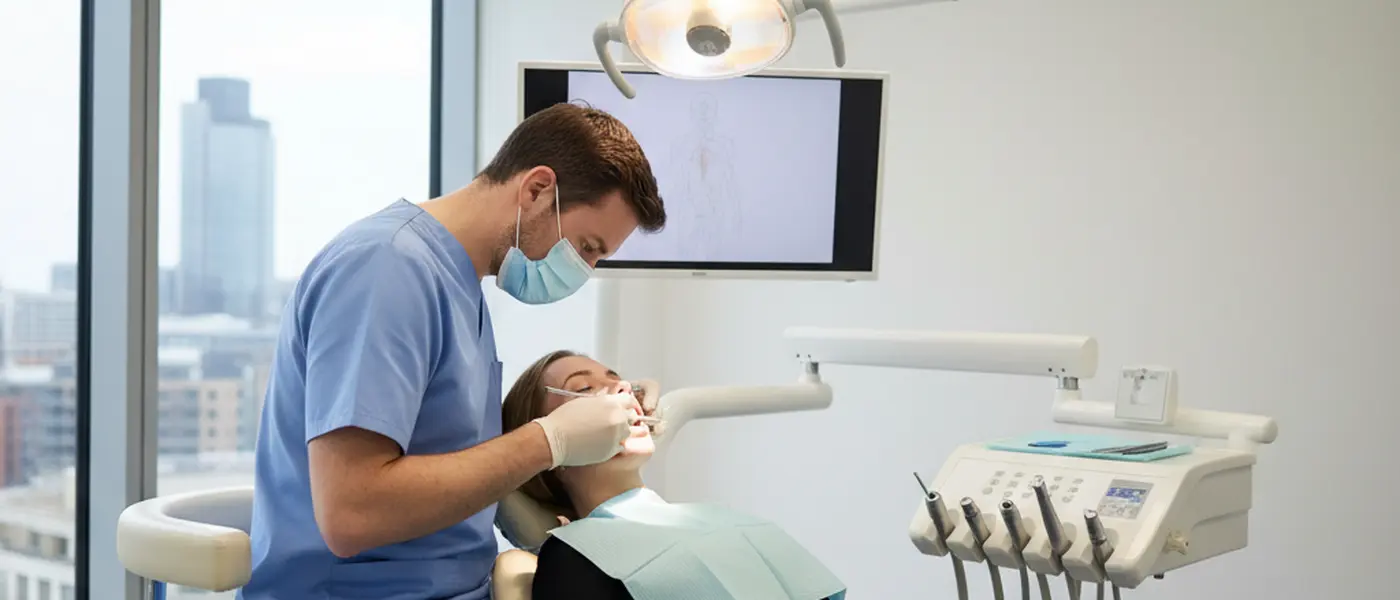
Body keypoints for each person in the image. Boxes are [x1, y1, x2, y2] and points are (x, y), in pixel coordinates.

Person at [239, 103, 667, 600]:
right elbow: (351, 514)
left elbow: (450, 472)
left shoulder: (460, 287)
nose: (584, 269)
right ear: (535, 190)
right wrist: (549, 441)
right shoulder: (387, 270)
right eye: (588, 247)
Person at [501, 350, 846, 600]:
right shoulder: (575, 558)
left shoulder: (719, 518)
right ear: (552, 449)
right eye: (585, 389)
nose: (622, 389)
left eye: (619, 381)